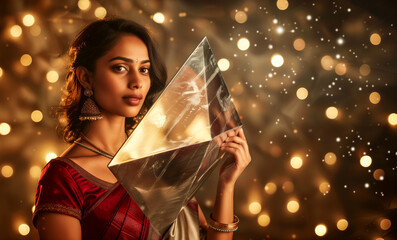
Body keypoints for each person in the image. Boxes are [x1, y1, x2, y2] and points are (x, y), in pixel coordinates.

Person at [33, 18, 251, 240]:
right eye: (120, 68)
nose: (137, 81)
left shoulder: (158, 164)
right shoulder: (63, 177)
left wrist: (227, 183)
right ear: (86, 78)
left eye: (144, 69)